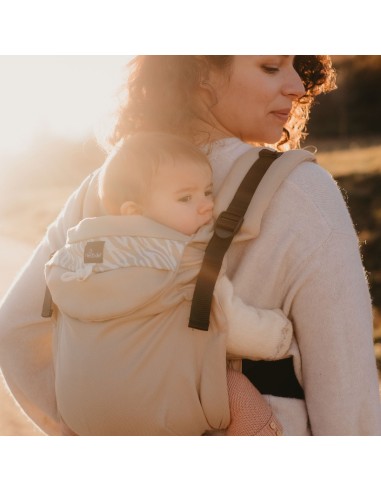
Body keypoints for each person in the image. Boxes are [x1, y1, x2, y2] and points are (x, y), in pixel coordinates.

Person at [1, 55, 380, 435]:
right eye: (270, 67)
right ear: (200, 71)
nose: (298, 86)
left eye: (297, 66)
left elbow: (15, 331)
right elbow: (348, 394)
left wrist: (88, 428)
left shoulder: (103, 189)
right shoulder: (301, 192)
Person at [45, 132, 291, 435]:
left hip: (80, 414)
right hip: (162, 406)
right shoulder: (184, 258)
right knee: (237, 391)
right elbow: (230, 325)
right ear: (134, 212)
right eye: (185, 198)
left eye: (208, 192)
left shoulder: (75, 256)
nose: (206, 206)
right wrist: (279, 334)